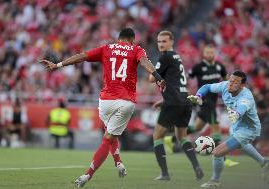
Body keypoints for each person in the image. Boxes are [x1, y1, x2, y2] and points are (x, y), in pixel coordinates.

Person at [40, 28, 166, 187]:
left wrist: (57, 64)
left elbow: (82, 56)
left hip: (105, 101)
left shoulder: (107, 48)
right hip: (125, 102)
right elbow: (145, 62)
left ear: (118, 38)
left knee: (110, 134)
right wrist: (158, 77)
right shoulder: (136, 49)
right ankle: (87, 175)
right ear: (132, 40)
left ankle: (118, 162)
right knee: (108, 138)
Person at [187, 70, 269, 187]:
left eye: (235, 82)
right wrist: (199, 96)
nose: (231, 83)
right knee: (242, 145)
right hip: (236, 126)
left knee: (217, 153)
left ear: (242, 85)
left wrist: (237, 114)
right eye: (230, 80)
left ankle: (215, 181)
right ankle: (264, 162)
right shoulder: (225, 85)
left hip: (248, 129)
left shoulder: (246, 96)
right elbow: (207, 87)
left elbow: (242, 107)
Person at [149, 30, 204, 181]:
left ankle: (165, 174)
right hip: (184, 102)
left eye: (164, 41)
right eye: (159, 42)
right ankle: (197, 167)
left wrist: (150, 69)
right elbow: (176, 82)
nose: (161, 44)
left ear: (171, 42)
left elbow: (151, 78)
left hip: (174, 102)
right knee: (182, 136)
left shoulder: (165, 56)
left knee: (157, 136)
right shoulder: (177, 57)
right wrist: (164, 100)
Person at [188, 44, 239, 167]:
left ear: (214, 53)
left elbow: (227, 80)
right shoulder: (198, 67)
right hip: (204, 101)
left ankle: (173, 138)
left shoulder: (220, 66)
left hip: (214, 101)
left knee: (197, 127)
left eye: (212, 52)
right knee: (216, 128)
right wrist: (192, 95)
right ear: (203, 53)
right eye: (207, 52)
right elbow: (188, 80)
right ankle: (222, 157)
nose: (210, 54)